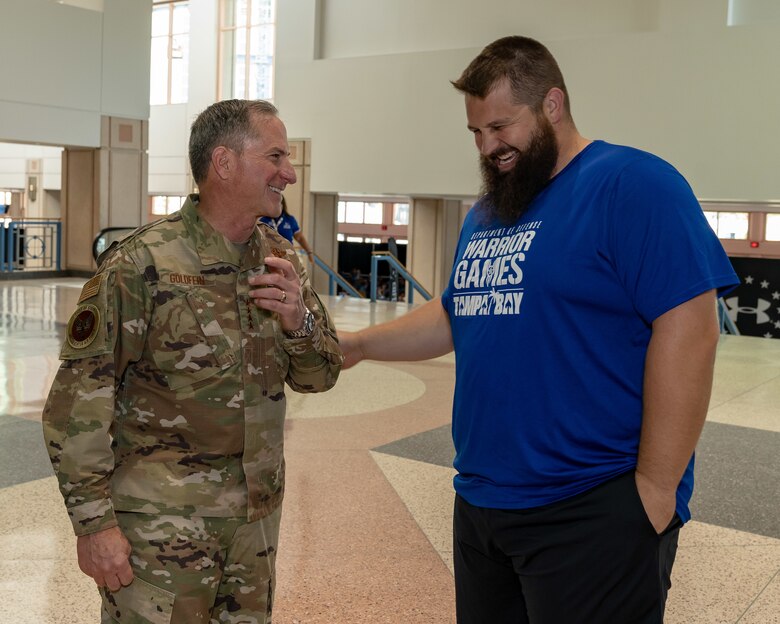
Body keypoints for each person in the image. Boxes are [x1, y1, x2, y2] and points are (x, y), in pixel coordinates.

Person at [338, 36, 738, 624]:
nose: (487, 146)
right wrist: (359, 345)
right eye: (476, 132)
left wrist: (653, 492)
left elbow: (692, 330)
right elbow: (458, 310)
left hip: (592, 504)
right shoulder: (490, 210)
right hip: (483, 503)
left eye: (501, 126)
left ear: (552, 105)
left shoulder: (633, 185)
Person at [42, 99, 343, 624]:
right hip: (160, 532)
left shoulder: (281, 258)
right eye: (275, 157)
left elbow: (321, 376)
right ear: (224, 164)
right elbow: (77, 406)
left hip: (255, 528)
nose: (289, 173)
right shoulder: (141, 264)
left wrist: (301, 321)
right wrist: (93, 525)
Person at [259, 195, 315, 263]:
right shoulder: (263, 220)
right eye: (273, 204)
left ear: (282, 205)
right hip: (270, 255)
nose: (275, 206)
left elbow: (299, 237)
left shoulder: (290, 220)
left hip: (287, 255)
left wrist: (309, 252)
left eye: (278, 204)